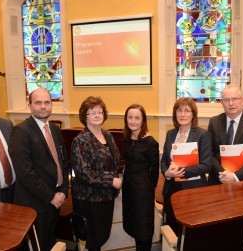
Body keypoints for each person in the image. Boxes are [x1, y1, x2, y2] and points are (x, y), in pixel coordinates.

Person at [8, 88, 69, 251]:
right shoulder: (21, 131)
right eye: (38, 102)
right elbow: (25, 172)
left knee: (50, 243)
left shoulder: (55, 129)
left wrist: (63, 191)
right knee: (38, 247)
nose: (43, 106)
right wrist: (51, 196)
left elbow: (63, 162)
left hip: (55, 200)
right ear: (30, 105)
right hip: (35, 204)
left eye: (47, 102)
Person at [71, 96, 122, 251]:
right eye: (92, 112)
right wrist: (111, 181)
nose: (97, 115)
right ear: (84, 116)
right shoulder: (80, 140)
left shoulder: (108, 135)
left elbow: (114, 161)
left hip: (106, 196)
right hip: (90, 198)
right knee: (93, 239)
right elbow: (84, 173)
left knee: (102, 235)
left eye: (100, 112)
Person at [161, 97, 213, 233]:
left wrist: (180, 170)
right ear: (175, 113)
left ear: (193, 114)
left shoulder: (203, 135)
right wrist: (167, 173)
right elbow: (164, 161)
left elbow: (207, 165)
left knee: (190, 230)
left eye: (187, 110)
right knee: (172, 226)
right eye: (179, 110)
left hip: (193, 190)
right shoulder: (171, 134)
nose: (182, 114)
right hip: (172, 187)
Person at [122, 104, 159, 251]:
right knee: (133, 224)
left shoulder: (150, 142)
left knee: (144, 226)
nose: (133, 121)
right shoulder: (126, 138)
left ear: (143, 120)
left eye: (137, 118)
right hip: (129, 188)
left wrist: (147, 189)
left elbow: (155, 172)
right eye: (130, 117)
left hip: (143, 191)